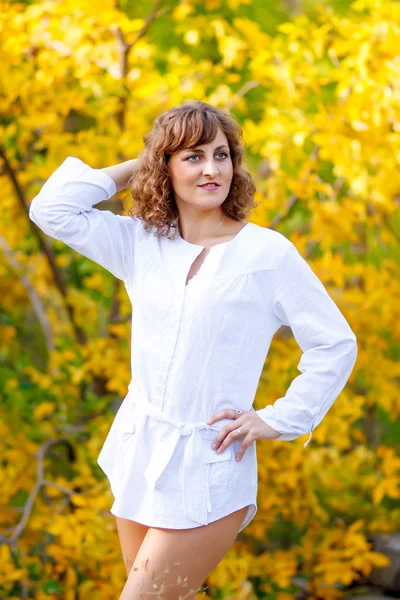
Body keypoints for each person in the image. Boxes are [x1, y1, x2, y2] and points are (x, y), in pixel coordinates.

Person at [29, 100, 358, 599]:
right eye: (193, 156)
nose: (212, 169)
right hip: (140, 451)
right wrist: (145, 164)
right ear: (166, 167)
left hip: (208, 464)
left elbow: (334, 343)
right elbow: (50, 209)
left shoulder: (266, 254)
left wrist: (281, 418)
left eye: (222, 155)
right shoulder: (141, 242)